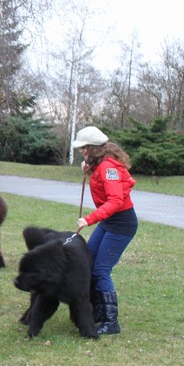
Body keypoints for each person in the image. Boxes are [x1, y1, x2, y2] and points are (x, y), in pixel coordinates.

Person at [72, 126, 138, 336]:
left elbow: (116, 200)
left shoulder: (108, 167)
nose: (81, 151)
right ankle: (95, 312)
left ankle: (111, 321)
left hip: (121, 223)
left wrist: (89, 219)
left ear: (93, 147)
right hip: (109, 221)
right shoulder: (100, 164)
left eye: (84, 148)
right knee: (88, 262)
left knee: (101, 270)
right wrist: (89, 167)